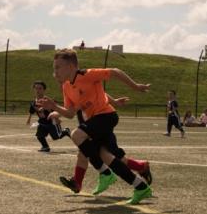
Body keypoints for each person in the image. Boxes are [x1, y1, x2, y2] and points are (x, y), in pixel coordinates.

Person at [38, 48, 152, 204]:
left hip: (106, 116)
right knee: (106, 155)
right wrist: (54, 106)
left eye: (58, 67)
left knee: (77, 135)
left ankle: (104, 173)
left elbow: (115, 71)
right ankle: (140, 187)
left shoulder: (87, 75)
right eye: (54, 68)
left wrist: (135, 86)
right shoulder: (66, 86)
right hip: (95, 120)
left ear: (71, 66)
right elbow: (71, 113)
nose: (55, 71)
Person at [59, 94, 152, 195]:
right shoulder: (73, 91)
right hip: (94, 131)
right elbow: (70, 110)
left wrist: (114, 102)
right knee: (86, 154)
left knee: (108, 157)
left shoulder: (81, 87)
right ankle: (78, 182)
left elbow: (101, 93)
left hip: (102, 130)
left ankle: (135, 172)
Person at [26, 81, 71, 152]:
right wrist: (28, 119)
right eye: (36, 88)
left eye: (40, 88)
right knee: (39, 136)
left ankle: (66, 131)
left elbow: (57, 110)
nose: (37, 90)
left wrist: (56, 118)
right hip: (42, 122)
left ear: (44, 90)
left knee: (56, 137)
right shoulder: (34, 102)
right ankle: (45, 147)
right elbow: (31, 111)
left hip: (51, 122)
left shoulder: (48, 101)